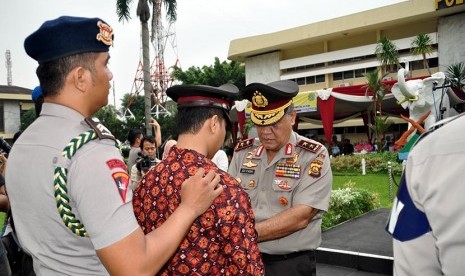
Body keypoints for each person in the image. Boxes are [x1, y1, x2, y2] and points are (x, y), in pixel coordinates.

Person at [5, 16, 222, 275]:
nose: (110, 74)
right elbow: (134, 267)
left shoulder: (24, 144)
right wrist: (189, 208)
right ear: (81, 78)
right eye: (105, 64)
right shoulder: (89, 152)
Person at [133, 83, 264, 275]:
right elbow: (247, 270)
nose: (223, 138)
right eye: (225, 127)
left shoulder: (146, 182)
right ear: (213, 123)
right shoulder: (224, 189)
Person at [229, 80, 332, 276]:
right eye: (260, 123)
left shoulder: (312, 155)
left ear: (292, 117)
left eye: (274, 123)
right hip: (243, 258)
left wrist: (245, 234)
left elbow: (301, 216)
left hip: (288, 265)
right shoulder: (244, 152)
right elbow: (228, 201)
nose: (265, 132)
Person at [386, 114, 465, 275]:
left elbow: (412, 266)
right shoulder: (427, 149)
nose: (398, 146)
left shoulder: (428, 151)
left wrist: (412, 120)